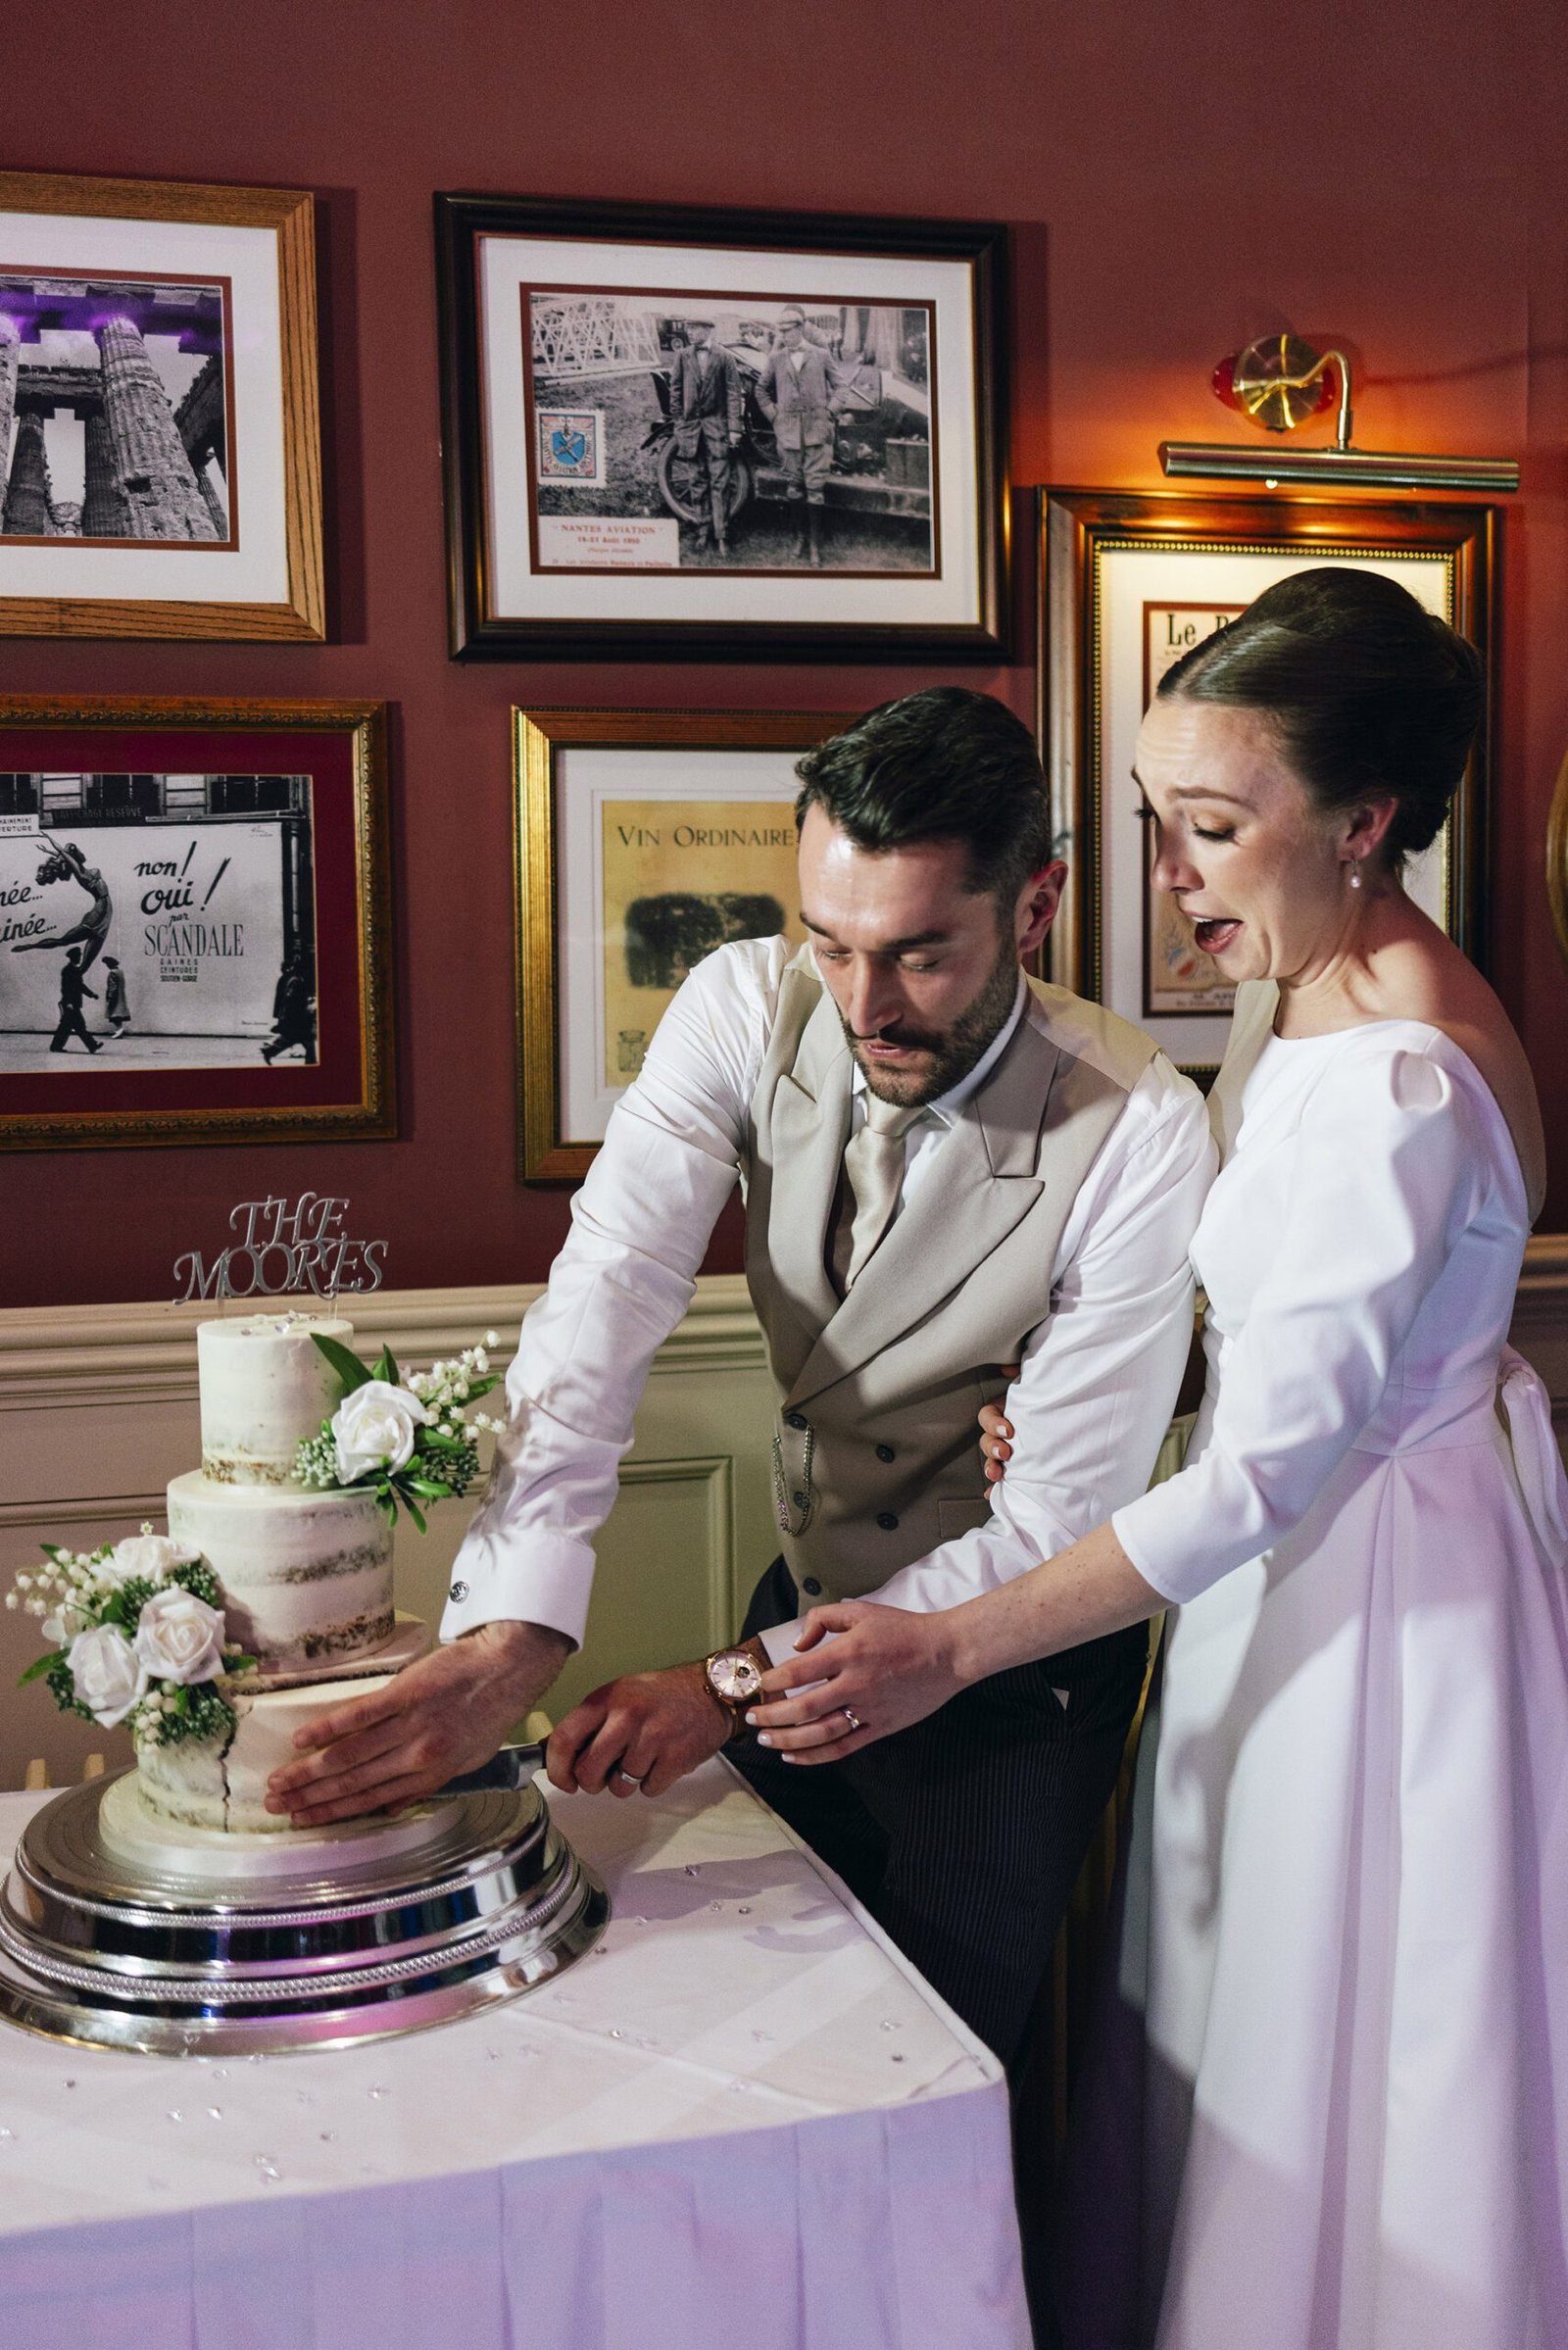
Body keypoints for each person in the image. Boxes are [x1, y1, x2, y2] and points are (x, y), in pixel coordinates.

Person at [746, 571, 1568, 2350]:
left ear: (1363, 823)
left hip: (1366, 1614)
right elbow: (1321, 1369)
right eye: (1154, 818)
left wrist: (950, 1641)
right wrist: (1145, 1413)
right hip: (1325, 1549)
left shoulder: (1394, 1081)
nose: (1169, 873)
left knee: (1335, 2037)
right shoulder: (1338, 983)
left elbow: (1279, 1467)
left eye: (1210, 826)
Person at [267, 686, 1215, 2074]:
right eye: (829, 943)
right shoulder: (737, 1000)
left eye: (919, 955)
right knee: (751, 2066)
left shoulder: (1140, 1126)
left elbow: (1052, 1524)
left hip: (1010, 1688)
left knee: (927, 2087)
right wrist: (516, 1623)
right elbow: (610, 1291)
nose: (863, 1003)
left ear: (1035, 905)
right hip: (804, 1607)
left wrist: (724, 1680)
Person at [753, 305, 841, 566]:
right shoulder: (776, 359)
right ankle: (799, 538)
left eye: (787, 330)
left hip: (816, 431)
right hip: (788, 434)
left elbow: (841, 387)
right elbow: (761, 390)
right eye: (780, 331)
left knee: (815, 490)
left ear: (800, 329)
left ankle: (814, 545)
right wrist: (774, 416)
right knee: (793, 487)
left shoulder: (821, 355)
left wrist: (830, 412)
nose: (782, 335)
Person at [668, 317, 743, 558]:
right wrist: (680, 423)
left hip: (717, 430)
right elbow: (676, 390)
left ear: (709, 329)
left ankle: (722, 535)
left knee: (720, 483)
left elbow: (733, 394)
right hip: (690, 431)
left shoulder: (725, 357)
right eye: (688, 328)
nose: (690, 332)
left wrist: (733, 428)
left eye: (695, 328)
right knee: (697, 482)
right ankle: (702, 530)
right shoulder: (682, 356)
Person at [261, 953, 315, 1063]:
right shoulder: (295, 980)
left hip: (295, 1017)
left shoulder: (295, 979)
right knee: (301, 1040)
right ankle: (269, 1051)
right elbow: (290, 999)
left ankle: (270, 1051)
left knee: (295, 1040)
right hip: (296, 1018)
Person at [49, 948, 101, 1054]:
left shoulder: (75, 970)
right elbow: (65, 988)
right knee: (78, 1025)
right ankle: (92, 1045)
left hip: (74, 1004)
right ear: (73, 957)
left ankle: (56, 1046)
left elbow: (80, 986)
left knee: (67, 1027)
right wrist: (68, 1002)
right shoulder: (67, 970)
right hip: (70, 1004)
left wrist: (92, 994)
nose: (80, 958)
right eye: (78, 956)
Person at [101, 955, 130, 1034]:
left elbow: (112, 986)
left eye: (107, 964)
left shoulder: (112, 973)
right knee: (119, 1013)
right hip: (121, 995)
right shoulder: (120, 971)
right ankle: (119, 1029)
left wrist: (110, 996)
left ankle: (119, 1029)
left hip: (115, 996)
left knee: (114, 1013)